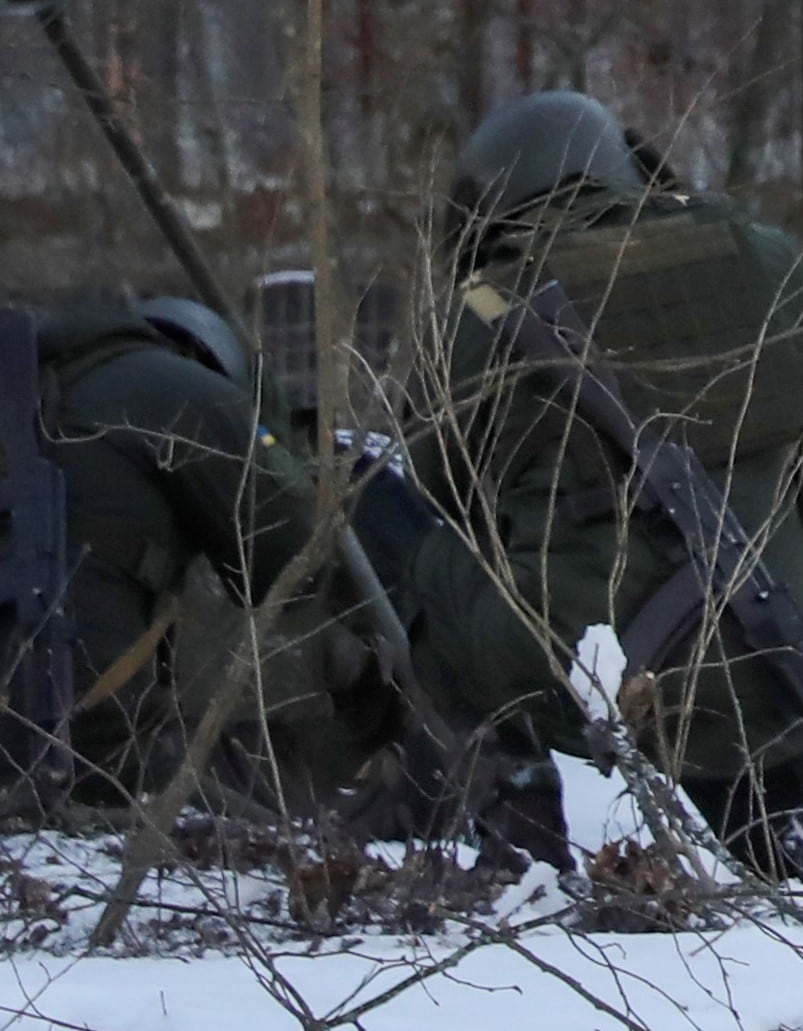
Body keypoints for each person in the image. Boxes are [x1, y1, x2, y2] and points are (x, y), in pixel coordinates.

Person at [416, 87, 803, 875]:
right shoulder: (756, 248)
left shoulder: (484, 309)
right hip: (775, 640)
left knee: (427, 562)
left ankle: (518, 838)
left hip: (603, 667)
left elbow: (444, 487)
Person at [2, 294, 568, 856]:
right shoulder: (190, 394)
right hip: (88, 736)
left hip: (32, 721)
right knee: (286, 816)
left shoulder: (35, 392)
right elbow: (289, 559)